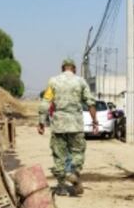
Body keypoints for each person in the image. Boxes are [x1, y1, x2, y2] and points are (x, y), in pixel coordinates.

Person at [38, 58, 96, 196]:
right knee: (77, 153)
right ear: (74, 69)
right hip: (75, 124)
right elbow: (90, 102)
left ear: (62, 68)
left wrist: (41, 122)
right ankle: (73, 173)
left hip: (59, 125)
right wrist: (94, 121)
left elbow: (45, 102)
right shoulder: (81, 81)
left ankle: (61, 187)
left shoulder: (53, 81)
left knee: (59, 155)